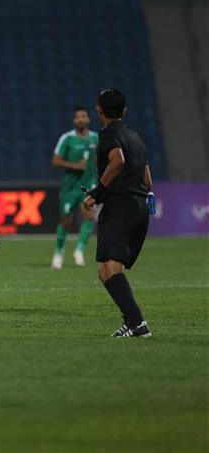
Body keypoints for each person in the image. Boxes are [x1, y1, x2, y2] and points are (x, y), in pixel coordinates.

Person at [83, 89, 153, 338]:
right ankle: (130, 321)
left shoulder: (107, 134)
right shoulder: (135, 137)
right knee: (106, 271)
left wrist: (96, 194)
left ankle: (138, 324)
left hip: (120, 206)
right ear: (125, 111)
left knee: (111, 269)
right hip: (139, 205)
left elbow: (118, 160)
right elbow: (147, 178)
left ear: (98, 110)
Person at [51, 106, 99, 268]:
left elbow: (100, 159)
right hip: (70, 187)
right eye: (78, 117)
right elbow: (56, 160)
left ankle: (79, 251)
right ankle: (59, 252)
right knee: (65, 221)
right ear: (74, 120)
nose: (81, 119)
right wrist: (75, 166)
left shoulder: (95, 138)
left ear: (88, 119)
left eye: (83, 116)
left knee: (89, 215)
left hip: (88, 185)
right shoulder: (67, 138)